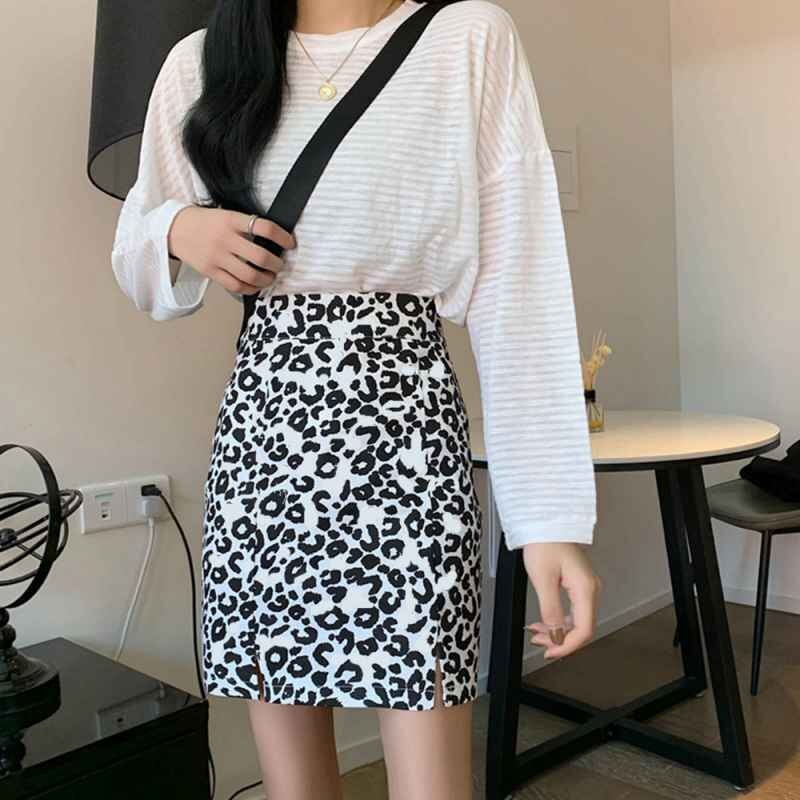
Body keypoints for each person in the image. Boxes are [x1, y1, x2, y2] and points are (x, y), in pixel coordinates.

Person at [111, 1, 601, 797]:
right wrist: (176, 229)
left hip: (407, 443)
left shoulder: (467, 39)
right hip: (265, 449)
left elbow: (519, 291)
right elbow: (134, 252)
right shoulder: (202, 63)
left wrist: (547, 522)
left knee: (430, 752)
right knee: (295, 777)